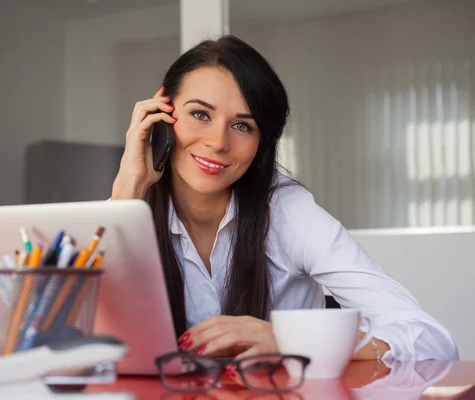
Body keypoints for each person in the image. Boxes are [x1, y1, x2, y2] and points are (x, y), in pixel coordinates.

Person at [110, 35, 458, 361]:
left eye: (242, 125)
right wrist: (126, 196)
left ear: (262, 142)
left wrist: (296, 342)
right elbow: (69, 340)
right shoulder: (130, 206)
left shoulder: (287, 211)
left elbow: (433, 342)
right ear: (162, 116)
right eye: (200, 114)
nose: (218, 142)